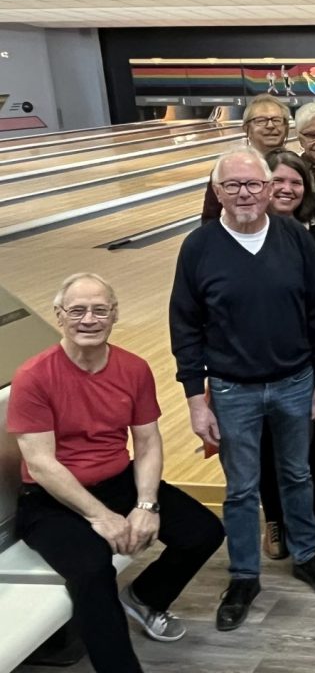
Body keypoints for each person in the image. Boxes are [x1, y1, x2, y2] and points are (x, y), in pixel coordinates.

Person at [10, 273, 224, 673]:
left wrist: (146, 504)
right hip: (50, 501)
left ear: (114, 315)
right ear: (59, 316)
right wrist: (100, 517)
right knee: (93, 569)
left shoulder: (133, 368)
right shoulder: (35, 376)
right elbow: (41, 463)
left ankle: (144, 597)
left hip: (118, 482)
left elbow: (146, 442)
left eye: (99, 310)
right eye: (77, 310)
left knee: (204, 532)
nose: (88, 319)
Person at [170, 146, 315, 632]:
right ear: (217, 192)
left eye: (254, 185)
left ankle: (307, 554)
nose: (245, 194)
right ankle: (244, 575)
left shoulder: (295, 238)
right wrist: (192, 397)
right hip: (231, 391)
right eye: (233, 185)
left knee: (297, 477)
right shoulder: (199, 246)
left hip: (296, 382)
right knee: (242, 490)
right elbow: (185, 326)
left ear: (270, 189)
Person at [258, 149, 315, 557]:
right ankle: (275, 521)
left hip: (307, 360)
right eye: (278, 180)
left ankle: (313, 515)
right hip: (255, 362)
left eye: (296, 182)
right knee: (263, 447)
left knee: (311, 445)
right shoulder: (244, 230)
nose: (287, 188)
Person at [202, 94, 290, 222]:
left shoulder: (297, 169)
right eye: (260, 120)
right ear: (246, 128)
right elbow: (210, 219)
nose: (270, 126)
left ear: (286, 127)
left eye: (277, 120)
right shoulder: (226, 169)